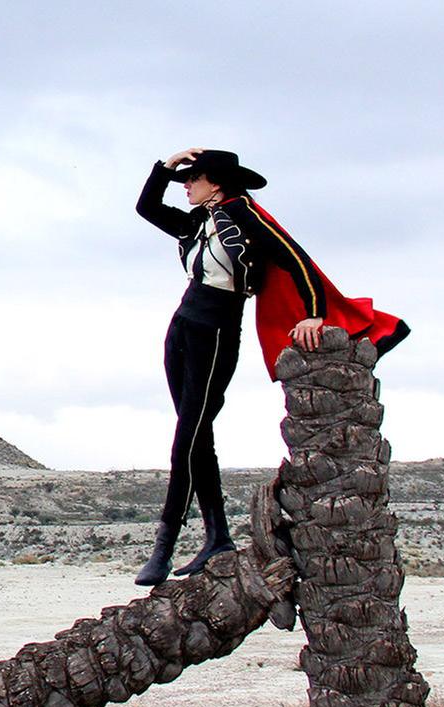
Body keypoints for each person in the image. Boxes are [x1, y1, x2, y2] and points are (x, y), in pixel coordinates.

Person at [131, 148, 408, 587]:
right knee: (195, 433)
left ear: (216, 182)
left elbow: (297, 260)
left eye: (192, 178)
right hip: (182, 325)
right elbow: (146, 207)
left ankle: (164, 546)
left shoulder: (243, 216)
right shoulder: (198, 220)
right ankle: (217, 536)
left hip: (218, 330)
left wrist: (314, 313)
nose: (185, 185)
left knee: (187, 436)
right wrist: (164, 167)